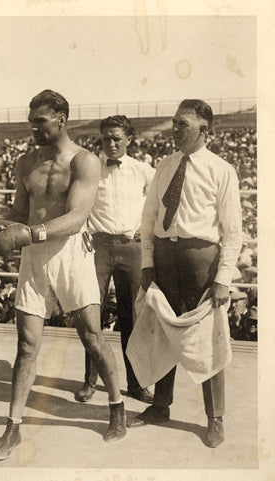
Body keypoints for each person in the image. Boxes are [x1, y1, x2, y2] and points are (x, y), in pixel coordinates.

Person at [0, 90, 127, 461]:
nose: (32, 127)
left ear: (61, 120)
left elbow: (76, 218)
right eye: (31, 119)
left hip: (72, 254)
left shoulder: (84, 161)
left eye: (40, 120)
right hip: (35, 257)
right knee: (26, 345)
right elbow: (22, 214)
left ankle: (116, 407)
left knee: (92, 336)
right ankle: (13, 426)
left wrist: (25, 234)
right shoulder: (25, 163)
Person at [127, 99, 243, 449]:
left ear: (204, 130)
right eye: (174, 123)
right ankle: (161, 406)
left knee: (206, 338)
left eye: (183, 124)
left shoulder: (221, 170)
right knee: (163, 333)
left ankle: (215, 417)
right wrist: (148, 264)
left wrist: (223, 278)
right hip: (164, 258)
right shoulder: (163, 165)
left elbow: (233, 231)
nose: (175, 129)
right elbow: (148, 220)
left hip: (200, 260)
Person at [75, 115, 155, 404]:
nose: (110, 143)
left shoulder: (143, 170)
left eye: (116, 138)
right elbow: (76, 203)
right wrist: (83, 231)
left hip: (130, 247)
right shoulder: (90, 168)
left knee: (131, 317)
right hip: (97, 247)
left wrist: (144, 234)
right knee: (90, 314)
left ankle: (136, 384)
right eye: (106, 138)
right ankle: (89, 382)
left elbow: (157, 204)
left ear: (129, 140)